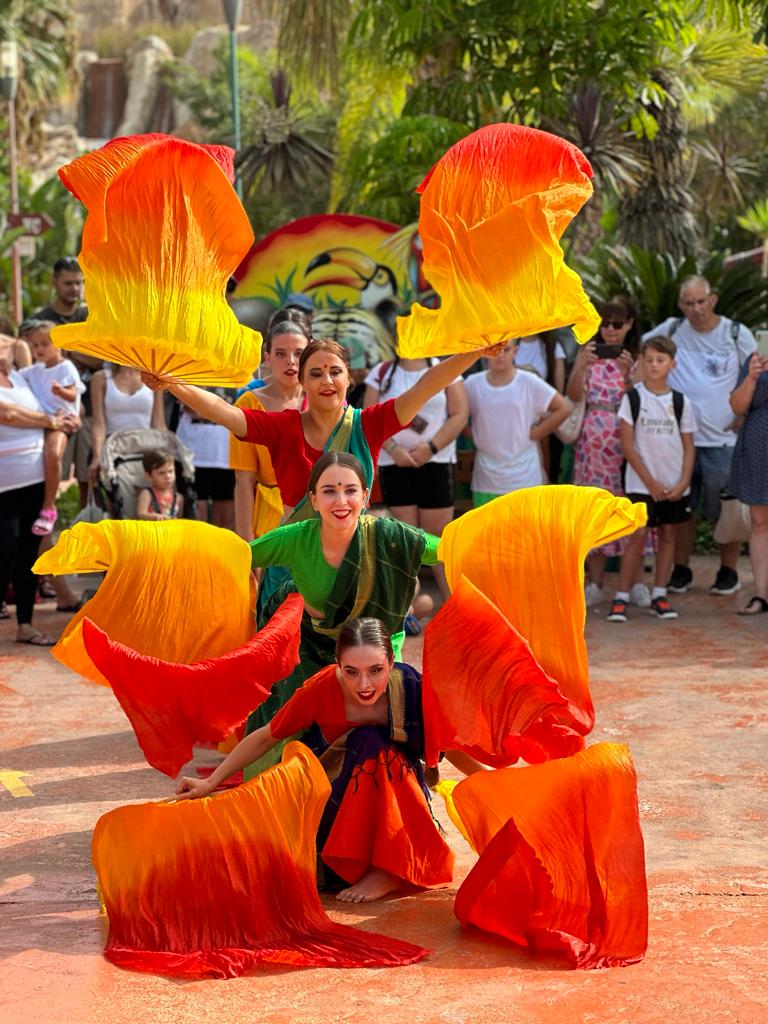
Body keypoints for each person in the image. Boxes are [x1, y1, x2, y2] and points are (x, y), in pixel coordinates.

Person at [175, 616, 482, 903]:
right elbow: (268, 735)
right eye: (351, 672)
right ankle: (352, 860)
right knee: (367, 741)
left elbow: (447, 745)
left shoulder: (412, 689)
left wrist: (485, 782)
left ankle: (387, 869)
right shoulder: (321, 689)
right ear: (338, 666)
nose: (364, 685)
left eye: (375, 671)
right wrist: (211, 781)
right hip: (336, 793)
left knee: (373, 742)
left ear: (391, 662)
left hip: (399, 797)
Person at [143, 339, 494, 523]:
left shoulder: (370, 424)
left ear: (348, 379)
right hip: (296, 559)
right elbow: (224, 412)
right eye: (315, 373)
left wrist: (478, 352)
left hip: (355, 556)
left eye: (335, 371)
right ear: (302, 382)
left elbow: (426, 386)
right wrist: (171, 382)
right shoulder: (282, 427)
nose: (326, 381)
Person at [243, 451, 445, 771]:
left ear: (365, 496)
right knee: (287, 738)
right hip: (314, 652)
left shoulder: (392, 539)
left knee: (404, 726)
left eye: (350, 490)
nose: (341, 500)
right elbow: (236, 558)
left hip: (378, 654)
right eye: (329, 491)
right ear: (313, 498)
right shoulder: (295, 539)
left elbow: (452, 547)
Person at [643, 275, 757, 595]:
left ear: (713, 299)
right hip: (679, 441)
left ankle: (728, 571)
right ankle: (681, 570)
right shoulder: (671, 330)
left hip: (724, 441)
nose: (696, 309)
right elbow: (644, 353)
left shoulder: (736, 334)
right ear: (681, 305)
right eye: (689, 303)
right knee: (681, 510)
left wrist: (744, 415)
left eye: (701, 301)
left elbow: (758, 375)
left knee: (728, 510)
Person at [363, 351, 468, 600]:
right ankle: (404, 609)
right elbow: (368, 416)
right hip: (394, 463)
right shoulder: (381, 373)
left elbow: (460, 414)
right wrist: (394, 449)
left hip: (436, 462)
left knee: (438, 539)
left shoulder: (446, 369)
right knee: (404, 540)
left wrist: (430, 448)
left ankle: (456, 606)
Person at [607, 337, 696, 622]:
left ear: (673, 364)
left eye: (660, 360)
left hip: (673, 484)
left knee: (669, 535)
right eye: (649, 360)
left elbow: (689, 446)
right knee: (638, 535)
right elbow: (628, 446)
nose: (654, 365)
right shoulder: (632, 399)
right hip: (640, 484)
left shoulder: (681, 403)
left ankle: (660, 593)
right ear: (641, 363)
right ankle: (621, 596)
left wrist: (682, 482)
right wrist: (650, 484)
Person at [568, 296, 644, 608]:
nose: (610, 330)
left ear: (628, 325)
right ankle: (595, 582)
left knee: (631, 506)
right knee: (594, 508)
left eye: (617, 324)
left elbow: (641, 399)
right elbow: (572, 395)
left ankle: (635, 581)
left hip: (628, 438)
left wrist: (629, 375)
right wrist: (581, 364)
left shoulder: (638, 358)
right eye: (605, 323)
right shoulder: (588, 356)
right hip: (592, 440)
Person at [0, 356, 80, 644]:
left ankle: (25, 625)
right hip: (4, 485)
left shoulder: (21, 376)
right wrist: (50, 420)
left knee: (27, 555)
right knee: (4, 551)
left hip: (35, 480)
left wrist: (69, 416)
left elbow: (59, 399)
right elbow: (7, 414)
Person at [230, 311, 310, 541]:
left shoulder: (323, 399)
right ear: (268, 357)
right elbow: (244, 480)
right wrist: (247, 539)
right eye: (281, 353)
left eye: (299, 353)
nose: (291, 361)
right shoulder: (249, 404)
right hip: (268, 520)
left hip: (318, 516)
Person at [463, 340, 569, 506]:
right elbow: (455, 414)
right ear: (485, 352)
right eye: (494, 350)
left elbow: (563, 408)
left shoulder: (529, 381)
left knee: (525, 532)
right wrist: (471, 434)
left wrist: (536, 433)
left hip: (524, 477)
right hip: (486, 478)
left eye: (506, 349)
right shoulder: (472, 384)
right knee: (487, 532)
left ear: (515, 351)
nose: (500, 354)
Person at [32, 257, 100, 508]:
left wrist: (63, 349)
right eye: (68, 283)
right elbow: (34, 361)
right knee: (49, 473)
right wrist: (79, 352)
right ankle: (48, 523)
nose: (75, 288)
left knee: (86, 477)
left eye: (79, 283)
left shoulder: (89, 317)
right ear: (55, 282)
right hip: (52, 410)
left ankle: (80, 524)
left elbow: (101, 359)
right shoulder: (39, 320)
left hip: (91, 408)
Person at [17, 322, 85, 536]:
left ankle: (49, 507)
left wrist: (60, 392)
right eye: (35, 345)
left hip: (62, 422)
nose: (39, 349)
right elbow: (13, 373)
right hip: (42, 422)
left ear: (58, 344)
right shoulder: (34, 370)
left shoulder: (65, 367)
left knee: (53, 454)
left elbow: (74, 395)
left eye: (45, 344)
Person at [728, 352, 768, 615]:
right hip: (759, 447)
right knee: (760, 520)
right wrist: (752, 377)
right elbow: (738, 406)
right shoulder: (757, 359)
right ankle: (762, 595)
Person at [88, 364, 165, 484]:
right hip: (114, 448)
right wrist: (97, 456)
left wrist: (165, 456)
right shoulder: (101, 378)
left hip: (145, 447)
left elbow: (159, 422)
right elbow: (99, 424)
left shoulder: (154, 376)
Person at [176, 386, 238, 529]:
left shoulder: (239, 370)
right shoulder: (191, 367)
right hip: (192, 456)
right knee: (195, 521)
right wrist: (225, 409)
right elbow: (193, 406)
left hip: (227, 455)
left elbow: (243, 408)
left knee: (225, 523)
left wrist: (211, 408)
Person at [136, 449, 184, 521]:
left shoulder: (178, 497)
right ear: (148, 476)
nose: (168, 476)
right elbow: (141, 514)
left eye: (170, 471)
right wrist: (155, 517)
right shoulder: (147, 494)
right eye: (161, 473)